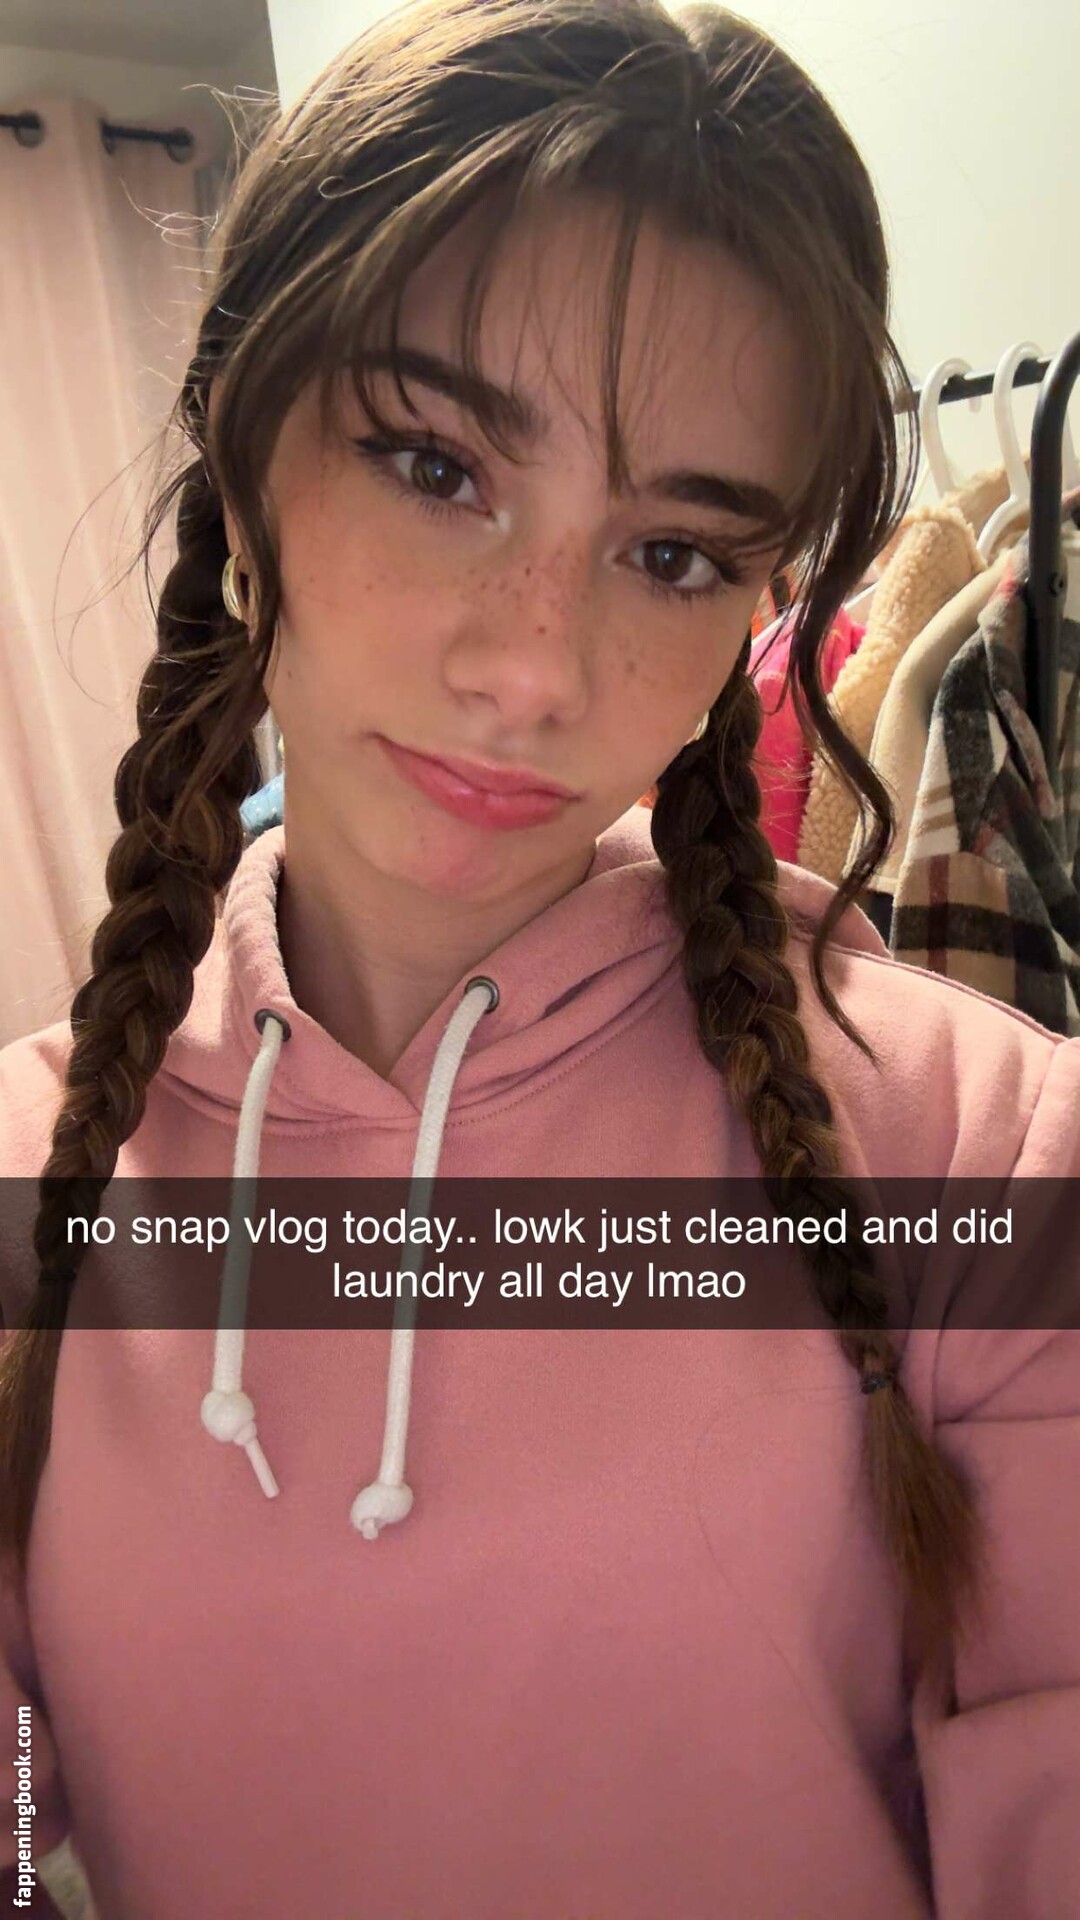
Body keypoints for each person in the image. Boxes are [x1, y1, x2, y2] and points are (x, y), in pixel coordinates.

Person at [0, 0, 1077, 1913]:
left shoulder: (984, 1150)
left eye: (674, 555)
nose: (533, 667)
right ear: (241, 468)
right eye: (437, 468)